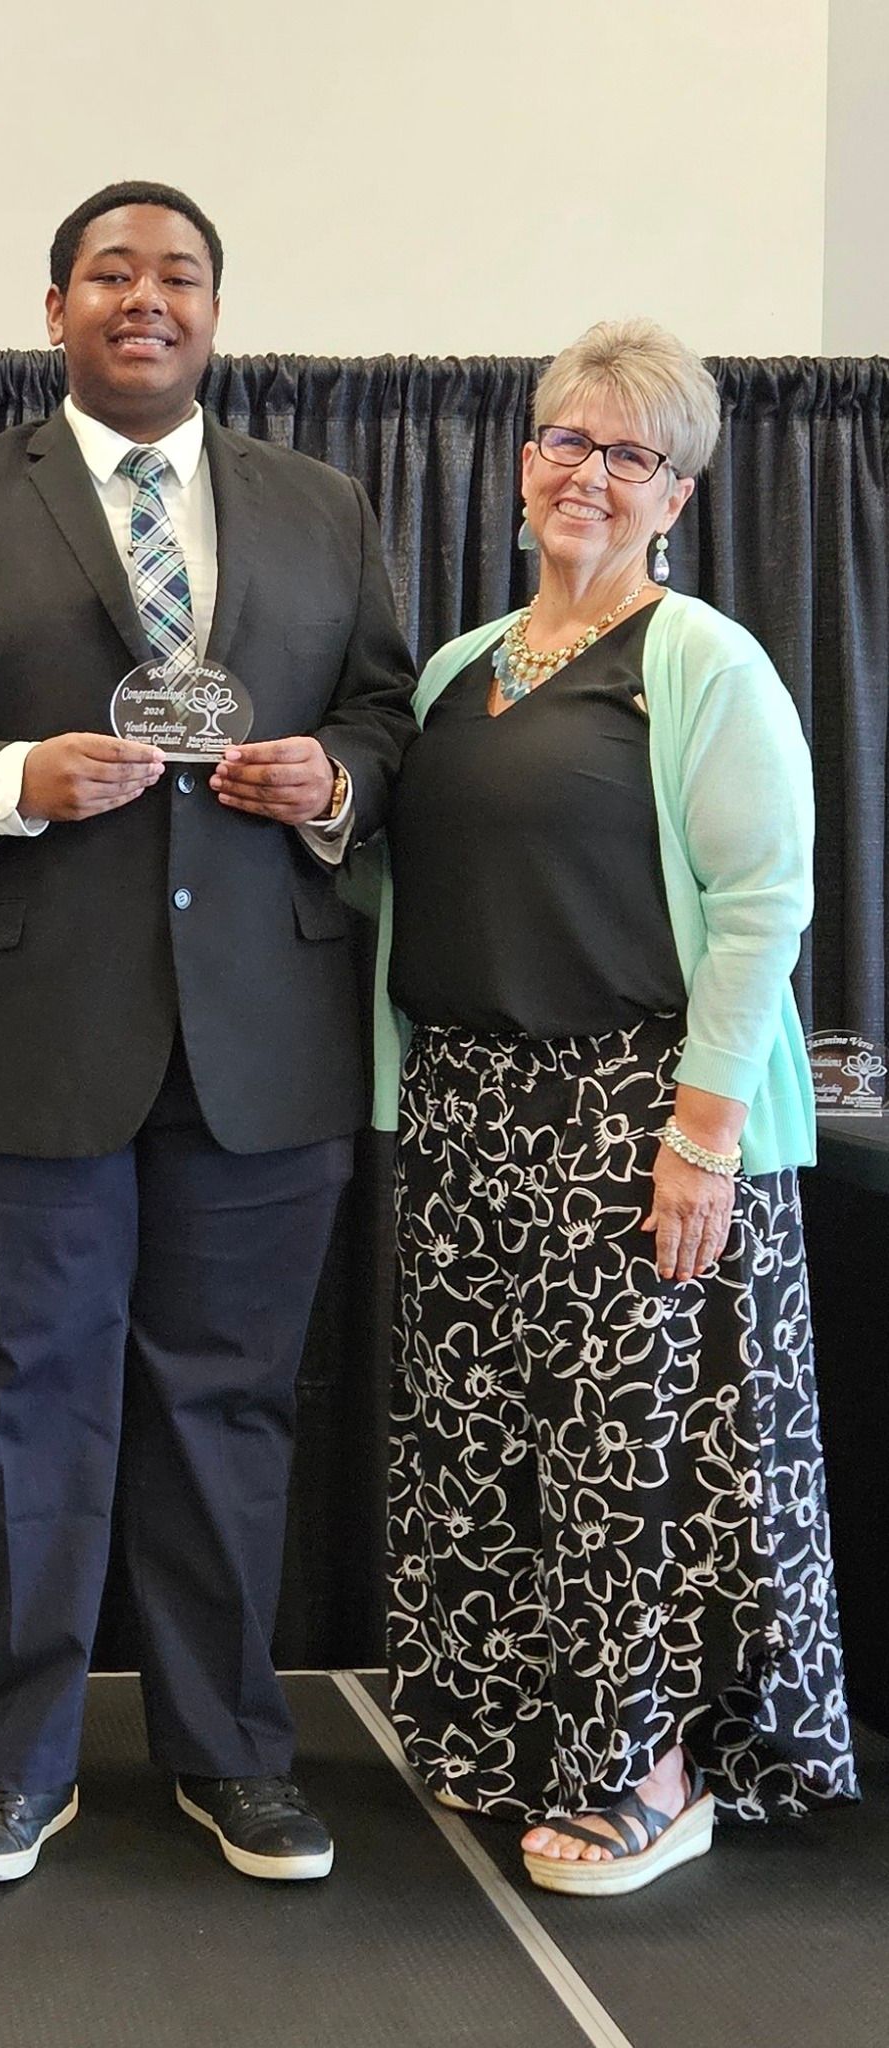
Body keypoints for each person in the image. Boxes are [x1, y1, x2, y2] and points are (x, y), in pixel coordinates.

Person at [0, 181, 417, 1883]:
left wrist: (338, 779)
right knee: (23, 1404)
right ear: (54, 305)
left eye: (180, 276)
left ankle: (233, 1753)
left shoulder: (322, 506)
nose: (146, 300)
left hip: (262, 1042)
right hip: (13, 1034)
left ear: (215, 308)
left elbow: (385, 710)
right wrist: (6, 779)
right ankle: (21, 1761)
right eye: (111, 276)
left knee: (229, 1407)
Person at [374, 318, 857, 1896]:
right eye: (563, 441)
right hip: (463, 1111)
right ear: (520, 468)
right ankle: (512, 1731)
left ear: (678, 496)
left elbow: (758, 908)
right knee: (482, 1443)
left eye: (628, 452)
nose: (587, 471)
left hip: (633, 1113)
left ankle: (646, 1769)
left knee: (623, 1457)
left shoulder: (698, 662)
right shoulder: (455, 670)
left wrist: (701, 1135)